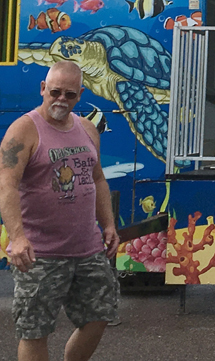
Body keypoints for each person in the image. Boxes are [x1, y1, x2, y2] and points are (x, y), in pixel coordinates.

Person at [0, 61, 120, 361]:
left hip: (88, 249)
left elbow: (97, 179)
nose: (61, 100)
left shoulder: (88, 128)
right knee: (35, 330)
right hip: (39, 254)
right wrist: (17, 237)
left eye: (69, 95)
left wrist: (108, 224)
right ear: (43, 89)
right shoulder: (24, 130)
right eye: (54, 92)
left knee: (100, 315)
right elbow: (7, 186)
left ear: (80, 94)